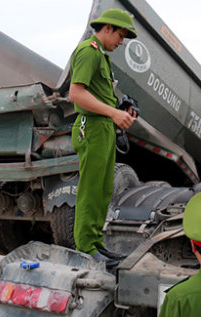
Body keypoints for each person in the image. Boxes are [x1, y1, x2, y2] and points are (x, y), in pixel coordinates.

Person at [68, 8, 138, 263]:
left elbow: (97, 95)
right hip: (93, 127)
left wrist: (119, 111)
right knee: (91, 189)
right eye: (121, 35)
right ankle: (86, 248)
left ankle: (96, 242)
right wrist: (113, 113)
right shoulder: (89, 51)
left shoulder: (102, 56)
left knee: (103, 189)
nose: (121, 42)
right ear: (107, 28)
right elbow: (76, 94)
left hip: (103, 126)